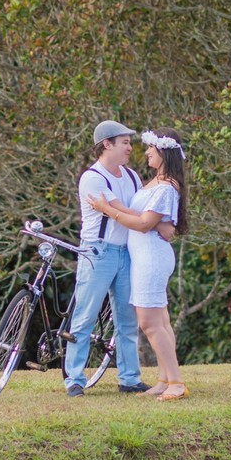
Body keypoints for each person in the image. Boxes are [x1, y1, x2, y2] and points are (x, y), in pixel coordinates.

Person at [64, 119, 176, 398]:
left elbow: (141, 208)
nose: (130, 147)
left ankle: (129, 378)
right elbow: (121, 209)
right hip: (98, 252)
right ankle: (75, 379)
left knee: (127, 319)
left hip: (127, 253)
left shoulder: (132, 176)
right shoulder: (93, 177)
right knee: (85, 316)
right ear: (107, 144)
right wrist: (155, 224)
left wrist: (154, 222)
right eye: (125, 142)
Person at [88, 128, 189, 401]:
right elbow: (144, 216)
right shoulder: (156, 182)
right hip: (144, 256)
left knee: (149, 323)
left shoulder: (168, 186)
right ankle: (165, 379)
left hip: (152, 257)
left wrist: (107, 210)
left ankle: (177, 383)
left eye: (150, 149)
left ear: (163, 152)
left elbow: (144, 224)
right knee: (160, 321)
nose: (145, 153)